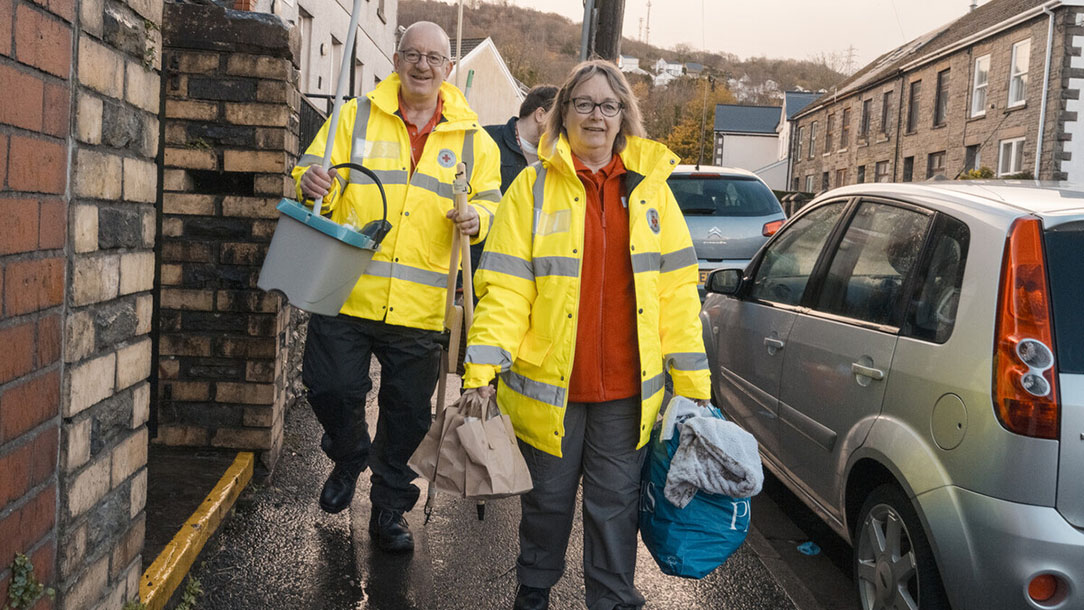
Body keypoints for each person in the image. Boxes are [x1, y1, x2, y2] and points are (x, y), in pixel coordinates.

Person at [460, 60, 710, 610]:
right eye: (584, 104)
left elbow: (676, 297)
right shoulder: (531, 188)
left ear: (624, 116)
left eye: (608, 105)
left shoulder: (653, 194)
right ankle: (533, 590)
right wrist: (480, 370)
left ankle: (613, 598)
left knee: (614, 505)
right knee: (546, 500)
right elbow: (507, 289)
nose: (596, 116)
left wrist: (692, 388)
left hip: (626, 390)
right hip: (551, 384)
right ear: (562, 114)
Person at [292, 21, 501, 553]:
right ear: (397, 59)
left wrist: (478, 216)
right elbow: (313, 175)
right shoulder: (353, 116)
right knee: (330, 388)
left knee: (407, 415)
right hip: (346, 287)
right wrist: (312, 182)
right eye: (413, 54)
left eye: (434, 57)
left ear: (449, 68)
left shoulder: (476, 140)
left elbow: (496, 203)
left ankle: (388, 509)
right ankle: (347, 452)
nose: (423, 65)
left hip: (420, 305)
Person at [484, 85, 558, 192]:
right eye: (557, 120)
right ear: (540, 115)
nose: (561, 128)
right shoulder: (487, 138)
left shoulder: (555, 155)